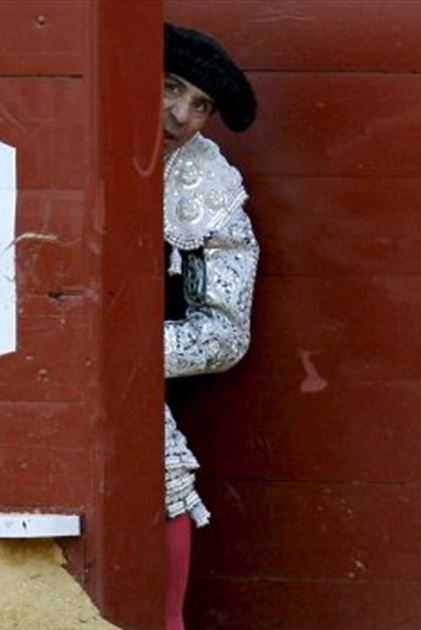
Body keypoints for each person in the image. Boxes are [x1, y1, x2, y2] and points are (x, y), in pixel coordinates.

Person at [161, 23, 259, 630]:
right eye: (170, 87)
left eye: (201, 105)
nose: (180, 115)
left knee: (162, 464)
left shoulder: (210, 184)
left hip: (127, 370)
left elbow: (226, 331)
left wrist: (126, 354)